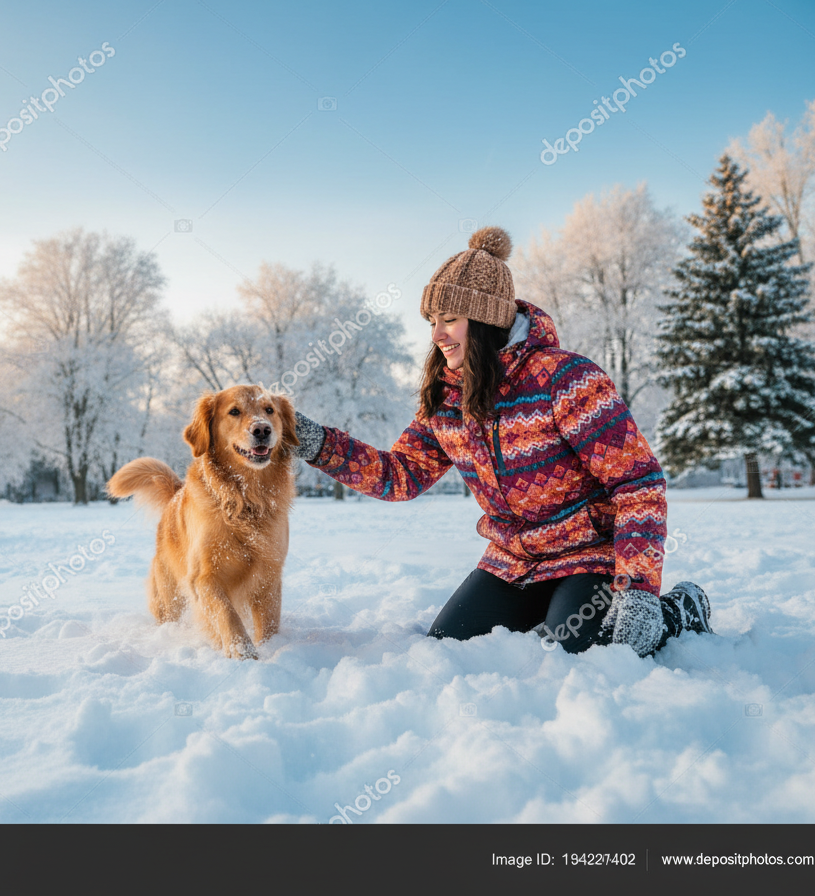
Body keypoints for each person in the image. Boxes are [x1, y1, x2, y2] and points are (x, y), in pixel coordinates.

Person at [291, 227, 714, 657]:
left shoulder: (565, 379)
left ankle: (679, 611)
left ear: (486, 318)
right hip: (514, 561)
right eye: (432, 321)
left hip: (592, 553)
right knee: (449, 645)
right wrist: (315, 443)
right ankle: (551, 608)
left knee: (580, 647)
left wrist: (638, 587)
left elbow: (637, 483)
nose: (437, 334)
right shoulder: (446, 399)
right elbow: (400, 476)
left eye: (449, 319)